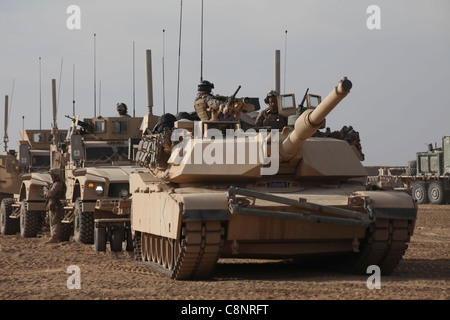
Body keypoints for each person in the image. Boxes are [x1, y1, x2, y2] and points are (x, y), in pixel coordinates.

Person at [44, 168, 65, 243]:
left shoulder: (57, 184)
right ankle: (54, 236)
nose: (51, 176)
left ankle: (54, 237)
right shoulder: (55, 183)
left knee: (54, 221)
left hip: (55, 204)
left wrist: (46, 190)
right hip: (53, 203)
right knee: (52, 221)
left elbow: (50, 194)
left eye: (52, 174)